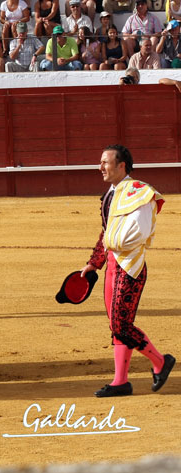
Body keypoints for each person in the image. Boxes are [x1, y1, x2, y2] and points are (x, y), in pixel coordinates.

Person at [80, 144, 175, 397]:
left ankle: (160, 361)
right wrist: (95, 262)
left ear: (122, 165)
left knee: (122, 325)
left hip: (130, 265)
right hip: (113, 264)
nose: (100, 167)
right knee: (116, 324)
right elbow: (107, 232)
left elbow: (140, 232)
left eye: (105, 162)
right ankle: (120, 381)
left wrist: (111, 246)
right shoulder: (111, 193)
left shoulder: (139, 193)